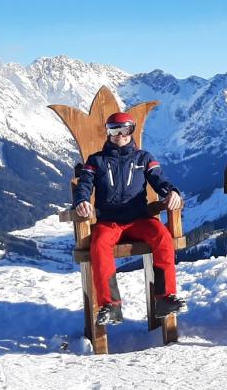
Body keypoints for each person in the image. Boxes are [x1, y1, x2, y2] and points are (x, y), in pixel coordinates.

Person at [73, 112, 185, 326]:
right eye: (114, 130)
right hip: (109, 220)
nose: (120, 135)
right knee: (99, 245)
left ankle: (165, 298)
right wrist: (82, 200)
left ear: (132, 131)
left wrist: (172, 192)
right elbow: (84, 183)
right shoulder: (96, 160)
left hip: (139, 219)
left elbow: (160, 179)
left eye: (126, 130)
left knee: (162, 235)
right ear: (108, 133)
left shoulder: (144, 158)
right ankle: (111, 305)